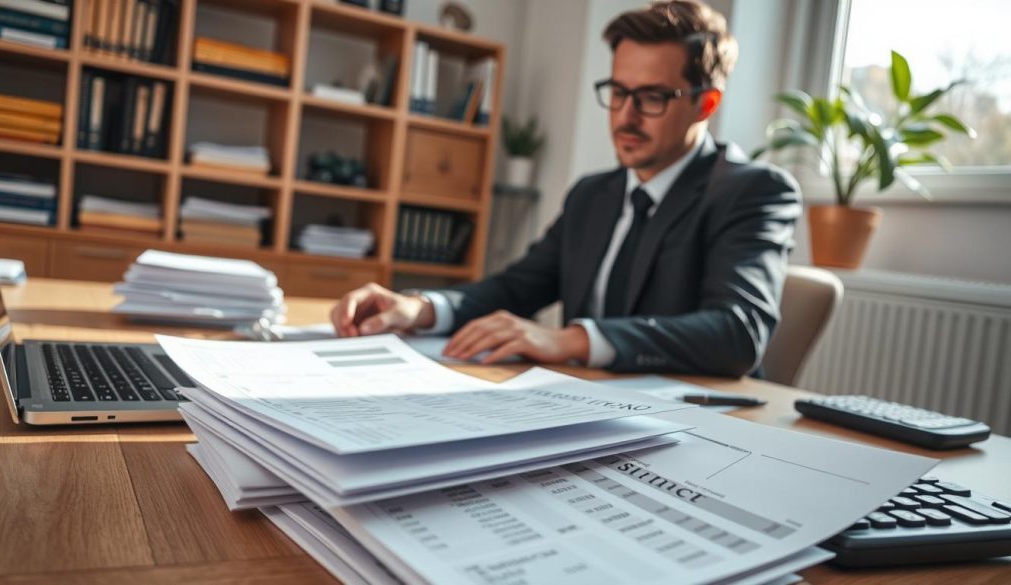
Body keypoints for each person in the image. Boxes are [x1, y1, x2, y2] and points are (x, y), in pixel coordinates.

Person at [330, 0, 801, 377]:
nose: (625, 116)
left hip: (702, 427)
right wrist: (418, 308)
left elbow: (737, 334)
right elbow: (518, 287)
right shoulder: (592, 195)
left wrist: (569, 339)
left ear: (706, 104)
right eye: (618, 92)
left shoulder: (754, 191)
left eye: (652, 97)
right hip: (585, 404)